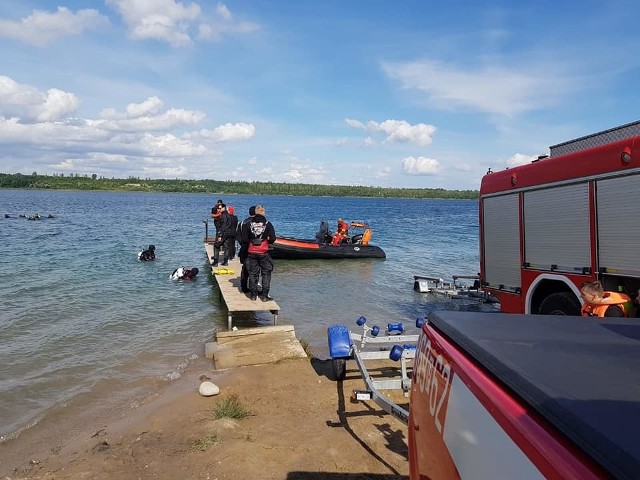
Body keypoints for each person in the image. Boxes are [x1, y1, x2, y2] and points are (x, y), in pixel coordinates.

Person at [241, 204, 276, 301]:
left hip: (252, 251)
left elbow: (244, 239)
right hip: (264, 251)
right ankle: (264, 296)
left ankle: (253, 295)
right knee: (266, 273)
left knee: (253, 273)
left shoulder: (247, 223)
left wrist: (252, 240)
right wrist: (267, 240)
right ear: (263, 212)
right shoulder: (268, 224)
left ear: (255, 212)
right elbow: (273, 238)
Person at [237, 206, 256, 293]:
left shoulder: (242, 223)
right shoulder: (257, 223)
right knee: (253, 269)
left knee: (245, 268)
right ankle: (253, 289)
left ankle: (244, 287)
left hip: (244, 248)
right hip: (254, 249)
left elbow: (238, 236)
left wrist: (243, 244)